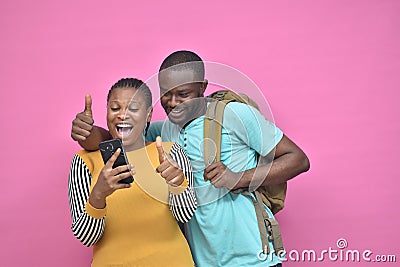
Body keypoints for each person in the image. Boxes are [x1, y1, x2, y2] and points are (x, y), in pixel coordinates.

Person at [71, 51, 310, 267]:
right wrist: (87, 132)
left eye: (183, 95)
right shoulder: (165, 131)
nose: (173, 103)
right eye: (166, 94)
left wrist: (238, 178)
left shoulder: (234, 114)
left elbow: (298, 159)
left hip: (251, 255)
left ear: (202, 88)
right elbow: (123, 133)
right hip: (202, 259)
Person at [68, 78, 196, 266]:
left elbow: (185, 216)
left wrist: (178, 184)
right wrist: (98, 195)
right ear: (106, 113)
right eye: (115, 108)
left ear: (148, 115)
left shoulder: (171, 152)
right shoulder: (84, 161)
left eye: (133, 109)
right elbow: (87, 237)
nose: (122, 115)